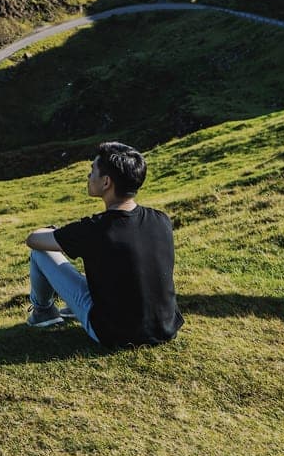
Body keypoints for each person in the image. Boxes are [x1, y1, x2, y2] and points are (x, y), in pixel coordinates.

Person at [24, 141, 183, 348]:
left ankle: (43, 312)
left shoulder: (95, 229)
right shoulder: (161, 219)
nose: (89, 176)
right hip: (165, 328)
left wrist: (54, 231)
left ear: (106, 182)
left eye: (92, 171)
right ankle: (67, 308)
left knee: (40, 253)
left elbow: (33, 240)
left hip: (113, 333)